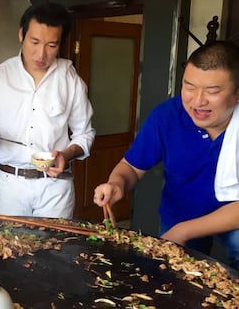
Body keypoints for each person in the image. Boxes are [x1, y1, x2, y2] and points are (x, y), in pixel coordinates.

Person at [93, 40, 239, 270]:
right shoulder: (167, 116)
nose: (198, 100)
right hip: (180, 211)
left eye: (212, 91)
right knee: (173, 276)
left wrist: (184, 230)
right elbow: (131, 167)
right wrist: (116, 183)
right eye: (189, 87)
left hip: (231, 217)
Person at [0, 2, 95, 218]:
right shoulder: (0, 77)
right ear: (21, 34)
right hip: (11, 185)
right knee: (10, 249)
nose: (41, 54)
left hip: (55, 188)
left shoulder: (70, 80)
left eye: (51, 45)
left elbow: (84, 134)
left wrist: (66, 155)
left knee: (55, 249)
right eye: (35, 42)